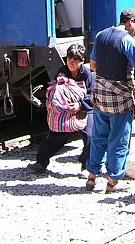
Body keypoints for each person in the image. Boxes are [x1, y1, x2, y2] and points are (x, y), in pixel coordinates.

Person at [86, 9, 135, 194]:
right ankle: (112, 181)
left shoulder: (101, 36)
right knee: (118, 140)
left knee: (98, 138)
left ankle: (91, 177)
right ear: (130, 22)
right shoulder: (128, 41)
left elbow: (93, 66)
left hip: (100, 97)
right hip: (120, 101)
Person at [30, 43, 94, 174]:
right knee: (57, 135)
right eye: (69, 59)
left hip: (85, 109)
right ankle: (41, 162)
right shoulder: (62, 72)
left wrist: (80, 105)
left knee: (91, 136)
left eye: (75, 60)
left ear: (82, 61)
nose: (71, 63)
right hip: (65, 110)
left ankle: (85, 165)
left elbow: (93, 95)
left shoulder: (88, 75)